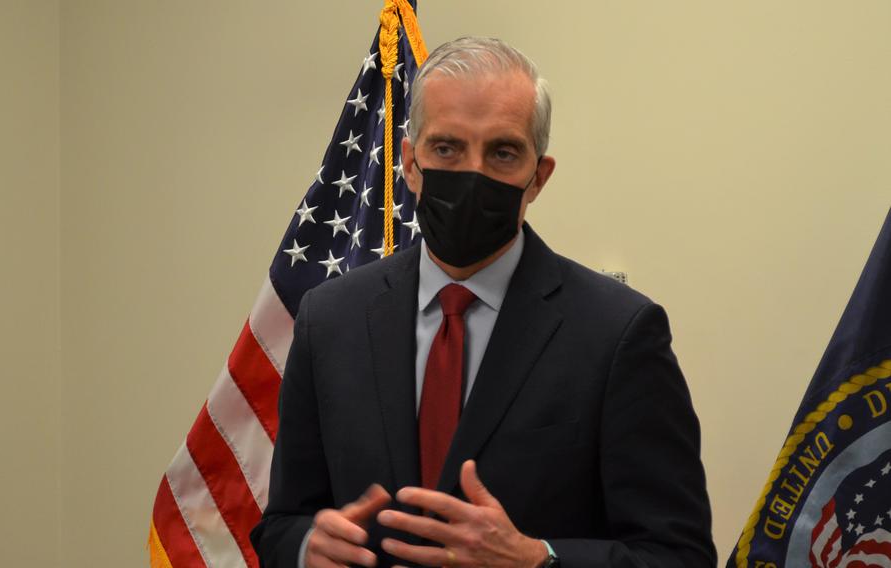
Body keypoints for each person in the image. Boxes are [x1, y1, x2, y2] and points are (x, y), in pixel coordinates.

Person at [251, 36, 716, 568]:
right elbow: (283, 524)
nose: (472, 174)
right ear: (408, 162)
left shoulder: (620, 334)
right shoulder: (330, 318)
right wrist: (310, 547)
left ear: (538, 178)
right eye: (446, 148)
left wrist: (537, 559)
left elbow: (680, 556)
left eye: (502, 152)